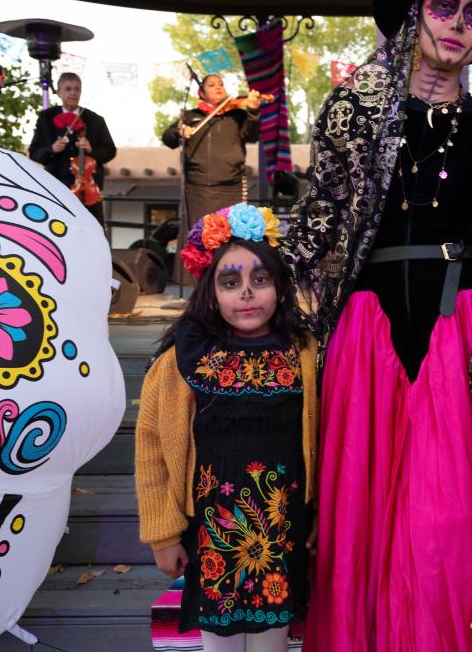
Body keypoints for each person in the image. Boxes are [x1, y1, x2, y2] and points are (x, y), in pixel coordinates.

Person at [286, 0, 472, 651]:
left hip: (458, 327)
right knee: (360, 510)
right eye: (444, 6)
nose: (457, 24)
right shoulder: (355, 112)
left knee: (449, 511)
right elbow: (322, 217)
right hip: (368, 330)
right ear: (415, 14)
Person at [135, 203, 318, 652]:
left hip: (281, 529)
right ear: (210, 292)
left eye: (261, 280)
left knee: (272, 639)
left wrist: (320, 515)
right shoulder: (183, 359)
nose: (247, 294)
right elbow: (153, 448)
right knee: (222, 642)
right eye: (231, 283)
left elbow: (325, 443)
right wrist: (163, 534)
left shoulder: (306, 355)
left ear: (280, 285)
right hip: (212, 531)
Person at [162, 74, 262, 229]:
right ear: (201, 93)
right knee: (199, 236)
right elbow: (168, 140)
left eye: (221, 84)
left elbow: (252, 136)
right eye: (212, 85)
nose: (218, 87)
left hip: (231, 188)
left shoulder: (237, 115)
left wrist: (254, 112)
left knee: (229, 237)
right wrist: (179, 131)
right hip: (198, 189)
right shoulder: (190, 116)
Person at [27, 72, 117, 225]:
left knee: (94, 231)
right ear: (59, 92)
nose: (73, 93)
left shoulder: (95, 120)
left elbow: (110, 150)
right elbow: (34, 152)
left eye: (77, 89)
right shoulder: (46, 118)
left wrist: (91, 149)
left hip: (88, 191)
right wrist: (51, 149)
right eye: (68, 89)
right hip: (56, 188)